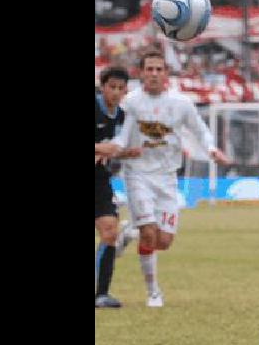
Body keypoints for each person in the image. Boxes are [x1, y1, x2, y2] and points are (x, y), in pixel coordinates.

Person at [96, 50, 231, 308]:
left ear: (166, 73)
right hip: (137, 175)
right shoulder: (130, 103)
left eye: (159, 69)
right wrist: (108, 149)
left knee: (164, 241)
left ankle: (128, 231)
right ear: (141, 73)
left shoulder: (181, 103)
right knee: (149, 235)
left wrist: (212, 149)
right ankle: (153, 292)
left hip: (168, 178)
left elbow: (199, 130)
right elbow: (120, 135)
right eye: (150, 69)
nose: (154, 74)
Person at [94, 66, 140, 308]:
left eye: (121, 88)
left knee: (110, 232)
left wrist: (127, 153)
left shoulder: (122, 117)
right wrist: (102, 148)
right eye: (111, 87)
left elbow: (117, 149)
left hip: (99, 182)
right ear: (102, 87)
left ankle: (101, 294)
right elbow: (106, 148)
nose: (116, 92)